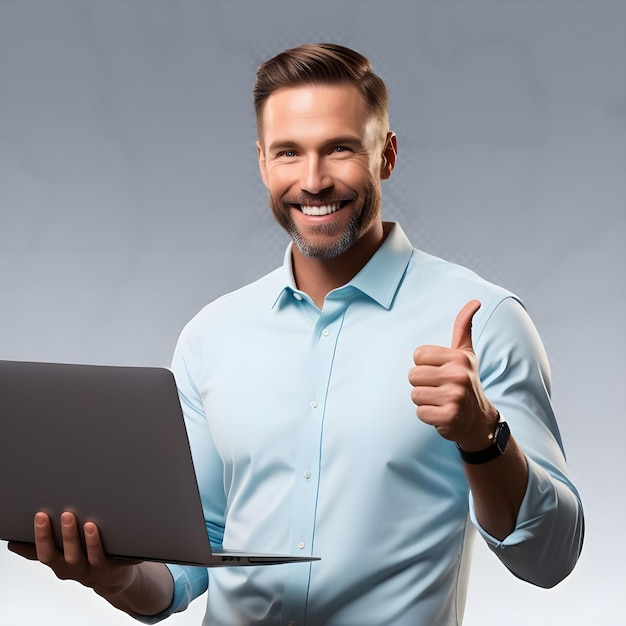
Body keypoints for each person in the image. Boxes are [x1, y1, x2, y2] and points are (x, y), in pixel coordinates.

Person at [9, 43, 584, 625]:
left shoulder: (483, 320)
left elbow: (551, 557)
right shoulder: (212, 336)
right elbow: (191, 559)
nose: (313, 180)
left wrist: (482, 437)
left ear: (385, 155)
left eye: (339, 149)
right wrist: (117, 576)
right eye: (289, 153)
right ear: (262, 162)